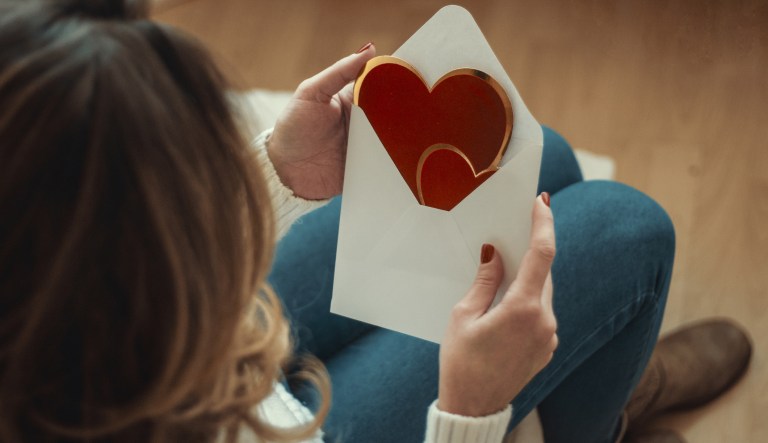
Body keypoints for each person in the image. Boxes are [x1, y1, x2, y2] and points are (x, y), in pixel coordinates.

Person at [0, 1, 751, 442]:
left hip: (210, 366)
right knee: (629, 230)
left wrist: (280, 172)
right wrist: (470, 408)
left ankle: (584, 373)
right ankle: (596, 418)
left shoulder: (54, 296)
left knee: (539, 160)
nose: (209, 187)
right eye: (186, 184)